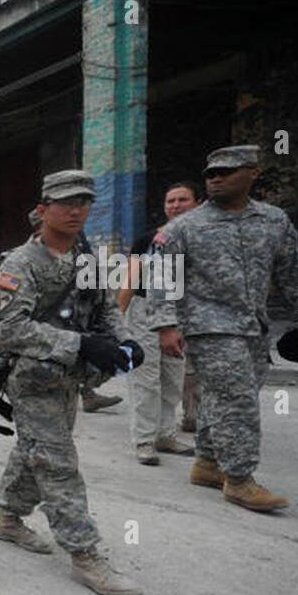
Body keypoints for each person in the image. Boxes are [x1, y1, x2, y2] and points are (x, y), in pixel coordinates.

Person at [0, 170, 143, 595]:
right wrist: (81, 343)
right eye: (65, 203)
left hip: (69, 379)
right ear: (43, 210)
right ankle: (85, 553)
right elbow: (8, 331)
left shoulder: (87, 259)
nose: (76, 211)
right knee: (57, 462)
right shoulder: (18, 265)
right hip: (32, 381)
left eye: (84, 202)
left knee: (34, 450)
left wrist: (126, 341)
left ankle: (7, 518)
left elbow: (107, 307)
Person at [148, 145, 298, 511]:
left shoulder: (274, 221)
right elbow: (162, 277)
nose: (216, 179)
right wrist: (165, 325)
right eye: (211, 173)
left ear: (252, 174)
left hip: (255, 327)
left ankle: (208, 463)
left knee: (222, 398)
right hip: (207, 327)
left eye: (226, 172)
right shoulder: (184, 227)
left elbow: (292, 272)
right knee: (238, 401)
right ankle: (241, 479)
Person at [120, 181, 199, 464]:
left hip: (180, 314)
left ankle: (165, 434)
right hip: (144, 312)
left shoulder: (202, 239)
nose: (176, 205)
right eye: (171, 201)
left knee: (173, 378)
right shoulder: (149, 240)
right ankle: (144, 440)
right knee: (146, 378)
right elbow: (130, 281)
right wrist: (118, 321)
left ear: (197, 203)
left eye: (183, 200)